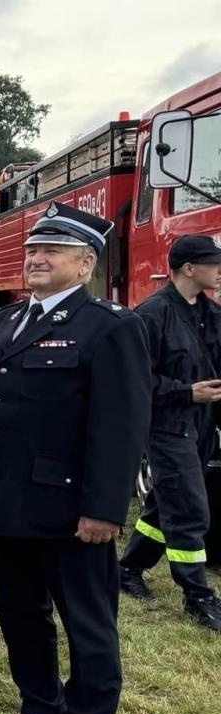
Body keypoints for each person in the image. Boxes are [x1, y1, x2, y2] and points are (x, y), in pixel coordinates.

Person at [0, 202, 151, 714]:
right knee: (21, 614)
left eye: (51, 251)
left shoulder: (110, 327)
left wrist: (104, 508)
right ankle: (39, 705)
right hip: (5, 503)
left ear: (85, 262)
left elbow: (120, 427)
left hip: (70, 508)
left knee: (87, 620)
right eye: (32, 250)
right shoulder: (8, 321)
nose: (35, 258)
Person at [118, 235, 221, 630]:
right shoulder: (151, 315)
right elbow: (136, 382)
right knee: (191, 509)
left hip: (202, 423)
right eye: (212, 263)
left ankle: (127, 569)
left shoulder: (211, 313)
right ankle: (198, 595)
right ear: (189, 268)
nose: (219, 269)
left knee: (166, 503)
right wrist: (186, 392)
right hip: (166, 425)